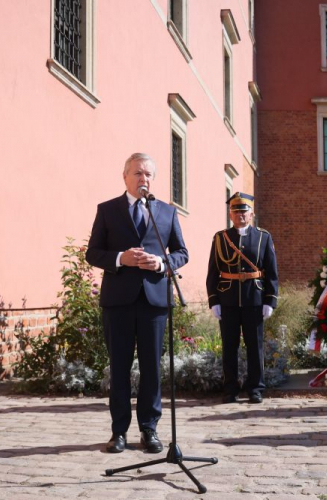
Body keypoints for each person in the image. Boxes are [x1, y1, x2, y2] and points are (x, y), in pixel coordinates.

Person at [85, 153, 188, 454]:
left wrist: (160, 263)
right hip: (118, 302)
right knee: (119, 368)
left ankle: (149, 429)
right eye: (138, 173)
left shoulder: (167, 212)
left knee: (152, 369)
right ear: (125, 176)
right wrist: (120, 259)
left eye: (148, 174)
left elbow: (182, 252)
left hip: (154, 302)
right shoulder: (107, 210)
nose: (143, 179)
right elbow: (92, 253)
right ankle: (118, 432)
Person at [206, 193, 278, 404]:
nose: (240, 215)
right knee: (229, 347)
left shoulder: (263, 237)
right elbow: (213, 271)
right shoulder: (220, 238)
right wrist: (214, 300)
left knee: (255, 347)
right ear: (230, 214)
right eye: (236, 212)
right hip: (227, 299)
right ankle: (230, 389)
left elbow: (272, 271)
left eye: (244, 211)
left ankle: (255, 388)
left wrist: (270, 300)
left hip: (254, 298)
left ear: (251, 213)